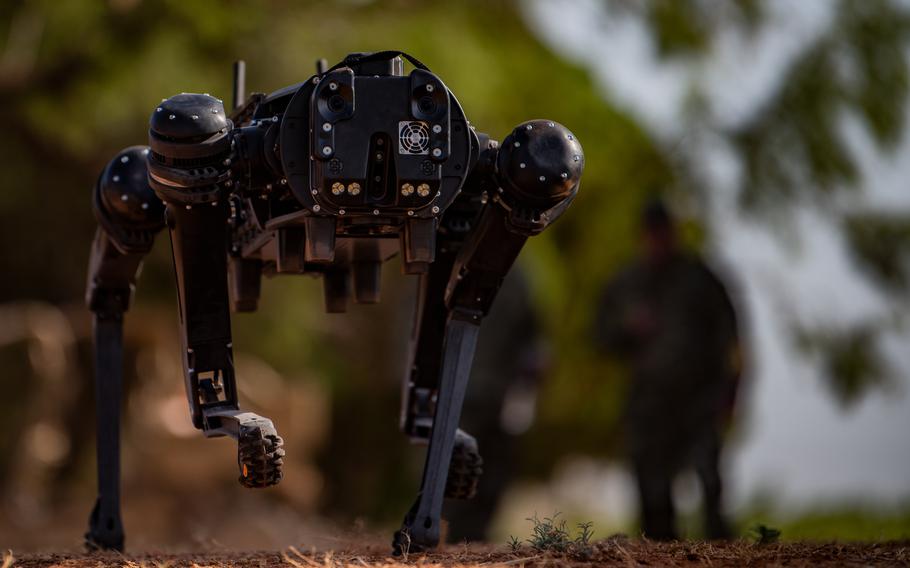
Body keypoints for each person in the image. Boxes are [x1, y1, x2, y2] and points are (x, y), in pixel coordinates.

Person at [594, 199, 743, 540]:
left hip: (699, 399)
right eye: (652, 234)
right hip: (649, 402)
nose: (658, 241)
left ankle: (720, 552)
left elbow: (731, 340)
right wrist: (629, 329)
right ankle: (661, 552)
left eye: (664, 233)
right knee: (652, 485)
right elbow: (601, 336)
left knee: (709, 477)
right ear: (642, 237)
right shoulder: (626, 282)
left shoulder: (700, 279)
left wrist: (731, 393)